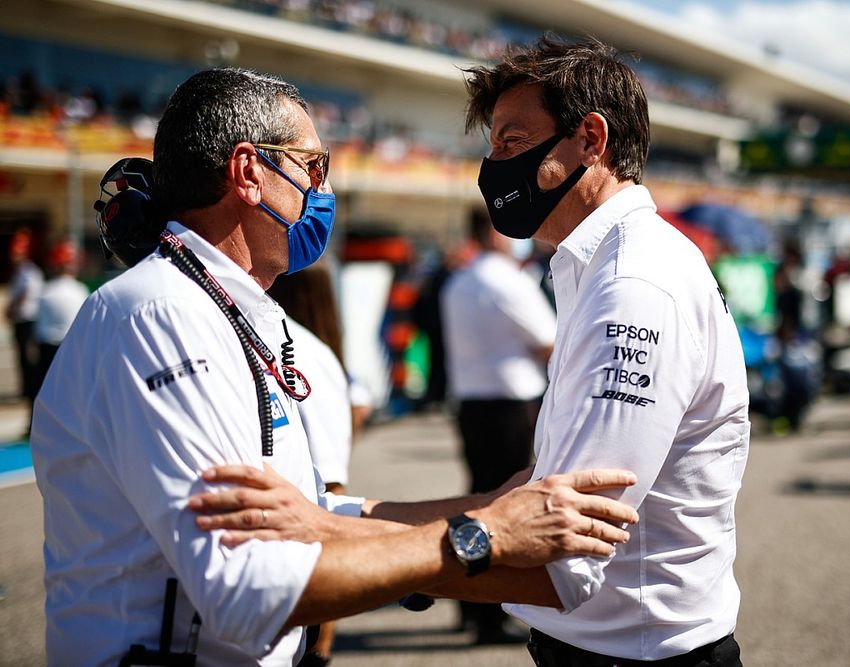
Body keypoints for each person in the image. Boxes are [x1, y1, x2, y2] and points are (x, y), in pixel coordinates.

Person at [29, 67, 639, 667]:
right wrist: (483, 538)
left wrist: (483, 509)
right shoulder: (161, 315)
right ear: (249, 173)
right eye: (313, 167)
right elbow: (241, 591)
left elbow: (313, 517)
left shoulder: (225, 309)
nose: (324, 190)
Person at [197, 37, 750, 666]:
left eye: (512, 144)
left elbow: (564, 560)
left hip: (641, 655)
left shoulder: (632, 285)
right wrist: (351, 514)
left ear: (590, 140)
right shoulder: (598, 268)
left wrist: (332, 540)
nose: (493, 167)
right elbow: (530, 495)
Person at [440, 208, 557, 644]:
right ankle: (490, 611)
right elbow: (551, 342)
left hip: (471, 401)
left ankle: (469, 601)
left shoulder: (459, 281)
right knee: (503, 508)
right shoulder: (507, 280)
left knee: (475, 498)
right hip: (511, 404)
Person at [268, 261, 353, 666]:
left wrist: (321, 645)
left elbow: (329, 485)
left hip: (299, 551)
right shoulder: (302, 347)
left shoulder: (300, 352)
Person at [32, 240, 90, 385]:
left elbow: (37, 326)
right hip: (71, 348)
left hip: (47, 349)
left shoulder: (44, 291)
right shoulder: (80, 290)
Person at [5, 228, 43, 401]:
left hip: (27, 319)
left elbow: (24, 295)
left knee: (28, 356)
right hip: (21, 319)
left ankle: (30, 389)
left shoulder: (29, 272)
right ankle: (26, 388)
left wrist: (12, 308)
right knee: (21, 356)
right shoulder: (20, 272)